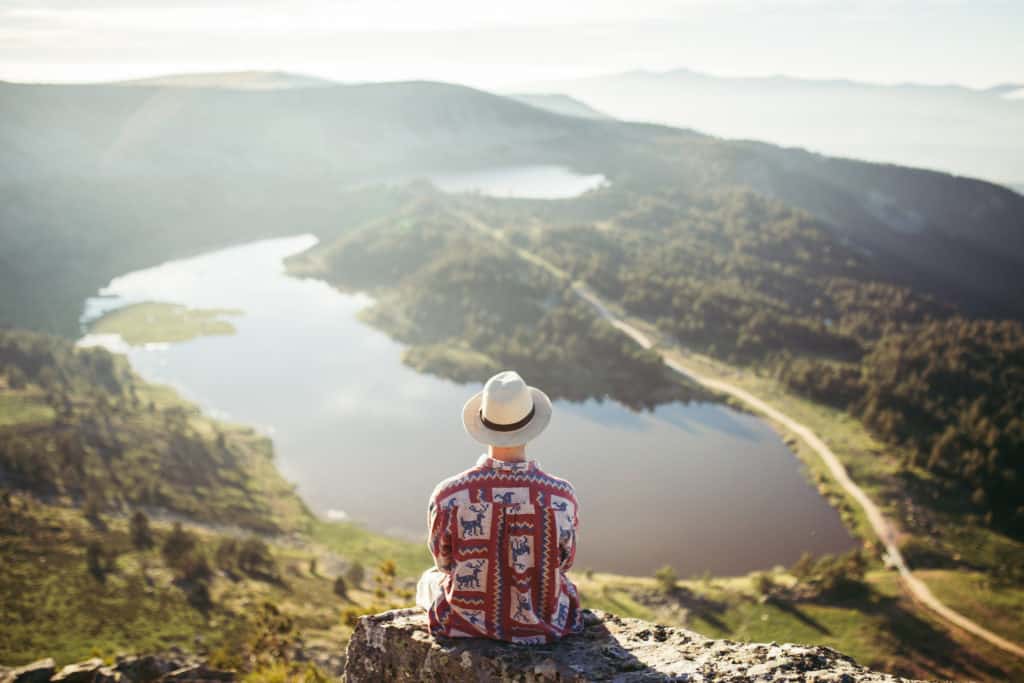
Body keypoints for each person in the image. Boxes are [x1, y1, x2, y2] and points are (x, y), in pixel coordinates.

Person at [416, 370, 584, 643]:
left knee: (428, 579)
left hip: (465, 620)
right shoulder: (561, 495)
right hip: (545, 618)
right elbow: (564, 562)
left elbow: (444, 563)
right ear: (532, 426)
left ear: (483, 426)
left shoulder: (449, 494)